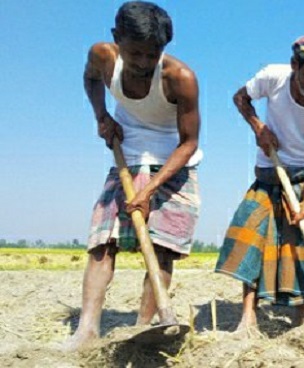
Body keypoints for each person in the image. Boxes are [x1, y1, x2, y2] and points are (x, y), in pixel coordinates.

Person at [64, 1, 202, 351]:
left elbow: (189, 143)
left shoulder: (180, 78)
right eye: (135, 52)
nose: (143, 62)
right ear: (117, 39)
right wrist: (102, 116)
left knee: (162, 248)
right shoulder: (101, 56)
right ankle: (87, 330)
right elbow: (90, 79)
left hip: (174, 163)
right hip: (126, 156)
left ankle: (143, 328)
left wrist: (152, 188)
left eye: (152, 54)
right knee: (102, 243)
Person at [215, 34, 304, 334]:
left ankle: (300, 321)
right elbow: (240, 98)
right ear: (294, 65)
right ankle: (248, 318)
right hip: (270, 171)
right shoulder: (273, 78)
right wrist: (259, 127)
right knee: (255, 239)